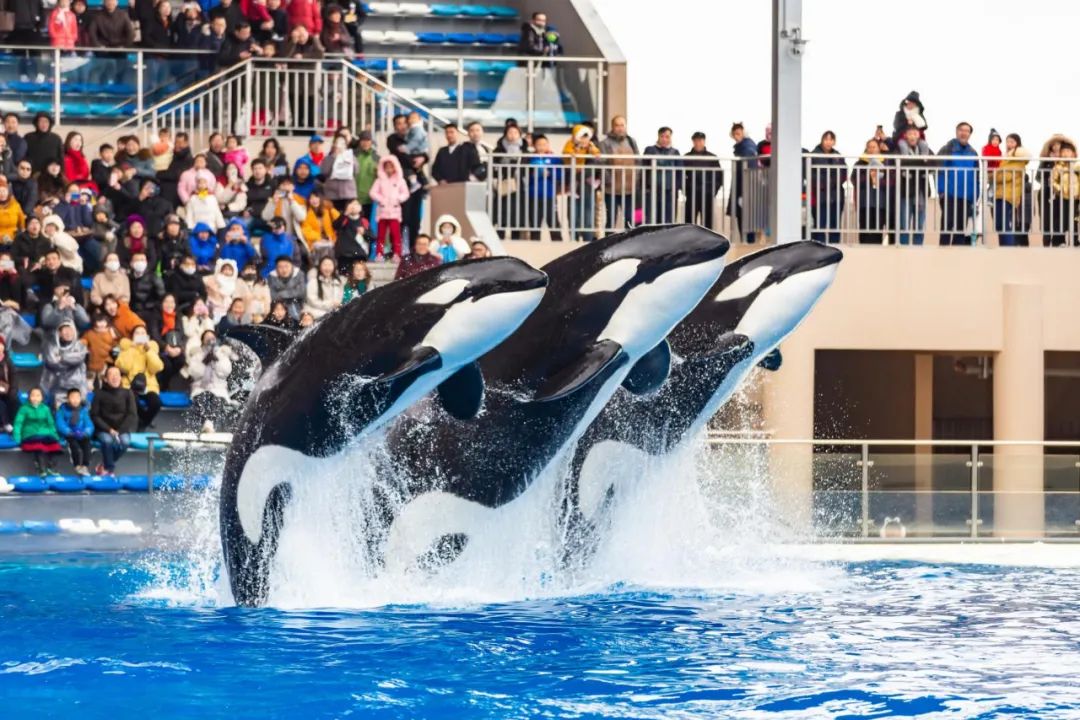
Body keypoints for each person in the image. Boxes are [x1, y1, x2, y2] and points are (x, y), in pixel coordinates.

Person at [937, 122, 980, 246]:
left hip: (966, 196)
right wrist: (941, 191)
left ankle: (958, 257)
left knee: (961, 228)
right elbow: (939, 171)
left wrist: (975, 195)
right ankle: (943, 254)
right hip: (949, 194)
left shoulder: (973, 153)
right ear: (956, 132)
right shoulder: (947, 148)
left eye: (967, 131)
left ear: (970, 134)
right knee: (947, 224)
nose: (964, 133)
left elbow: (977, 176)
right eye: (961, 130)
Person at [114, 325, 164, 431]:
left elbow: (157, 367)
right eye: (137, 333)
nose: (140, 336)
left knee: (156, 403)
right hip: (129, 385)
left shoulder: (152, 348)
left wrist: (148, 351)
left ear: (147, 336)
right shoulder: (126, 348)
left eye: (143, 333)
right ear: (132, 336)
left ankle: (144, 422)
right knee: (132, 400)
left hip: (149, 386)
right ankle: (141, 421)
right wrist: (132, 347)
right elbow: (124, 367)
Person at [91, 365, 137, 476]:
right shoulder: (99, 394)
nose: (115, 377)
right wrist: (109, 429)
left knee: (125, 442)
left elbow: (132, 414)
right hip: (103, 429)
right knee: (107, 441)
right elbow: (94, 415)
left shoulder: (127, 393)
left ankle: (105, 464)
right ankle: (109, 469)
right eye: (111, 375)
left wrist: (120, 431)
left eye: (117, 374)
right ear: (105, 379)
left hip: (121, 428)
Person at [186, 330, 233, 433]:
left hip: (218, 388)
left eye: (212, 337)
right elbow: (193, 372)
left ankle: (209, 424)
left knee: (216, 399)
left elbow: (226, 371)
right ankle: (202, 426)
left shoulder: (221, 354)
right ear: (202, 340)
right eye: (207, 337)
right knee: (203, 397)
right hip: (201, 387)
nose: (209, 340)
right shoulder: (197, 355)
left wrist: (216, 362)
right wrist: (204, 363)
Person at [895, 123, 933, 246]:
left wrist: (917, 164)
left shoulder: (925, 149)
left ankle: (918, 247)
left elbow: (933, 165)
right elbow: (897, 164)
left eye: (915, 133)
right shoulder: (899, 149)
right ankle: (903, 247)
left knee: (919, 223)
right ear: (905, 135)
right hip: (904, 190)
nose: (912, 136)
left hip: (921, 190)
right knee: (904, 222)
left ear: (919, 136)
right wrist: (920, 163)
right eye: (910, 133)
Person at [562, 124, 601, 242]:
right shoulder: (570, 143)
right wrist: (573, 153)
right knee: (573, 209)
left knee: (588, 209)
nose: (584, 139)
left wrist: (593, 151)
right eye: (582, 136)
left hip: (585, 179)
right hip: (573, 177)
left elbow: (596, 153)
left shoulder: (590, 145)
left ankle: (587, 237)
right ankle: (573, 237)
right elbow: (566, 151)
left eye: (586, 136)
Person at [992, 134, 1032, 247]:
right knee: (999, 224)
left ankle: (1008, 247)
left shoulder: (1019, 159)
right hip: (1000, 193)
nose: (1009, 144)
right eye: (1007, 142)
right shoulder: (1005, 158)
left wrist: (995, 175)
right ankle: (1004, 246)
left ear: (1017, 144)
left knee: (1004, 223)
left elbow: (1005, 176)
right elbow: (1001, 174)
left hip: (1009, 195)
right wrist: (997, 174)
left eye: (1012, 142)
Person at [14, 387, 63, 477]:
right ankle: (41, 468)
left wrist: (55, 435)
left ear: (42, 397)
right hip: (29, 434)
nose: (35, 398)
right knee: (39, 446)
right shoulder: (24, 408)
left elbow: (51, 424)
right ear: (29, 397)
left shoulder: (46, 409)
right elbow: (18, 423)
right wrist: (17, 436)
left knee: (55, 445)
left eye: (38, 395)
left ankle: (51, 467)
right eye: (33, 395)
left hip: (45, 433)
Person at [808, 131, 847, 244]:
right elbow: (810, 174)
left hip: (836, 195)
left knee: (835, 223)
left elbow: (844, 172)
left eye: (831, 139)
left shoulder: (838, 155)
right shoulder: (814, 155)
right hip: (820, 196)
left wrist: (834, 182)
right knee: (820, 222)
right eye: (826, 139)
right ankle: (817, 246)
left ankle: (834, 246)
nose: (828, 142)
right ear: (822, 140)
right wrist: (824, 184)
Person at [369, 155, 410, 260]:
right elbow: (372, 192)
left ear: (395, 167)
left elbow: (406, 193)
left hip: (394, 212)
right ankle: (379, 254)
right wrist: (381, 199)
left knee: (396, 235)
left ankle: (397, 254)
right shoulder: (379, 180)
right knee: (381, 236)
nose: (389, 169)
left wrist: (398, 199)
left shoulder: (400, 180)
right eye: (386, 167)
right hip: (382, 212)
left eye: (391, 167)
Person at [683, 131, 723, 231]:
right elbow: (681, 175)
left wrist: (713, 191)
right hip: (691, 193)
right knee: (689, 221)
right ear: (693, 141)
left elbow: (719, 176)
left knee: (707, 222)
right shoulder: (686, 157)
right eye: (696, 140)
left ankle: (707, 244)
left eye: (700, 140)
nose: (698, 143)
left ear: (704, 141)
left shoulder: (712, 157)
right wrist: (686, 190)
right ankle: (688, 242)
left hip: (707, 194)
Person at [524, 134, 561, 241]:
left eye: (544, 144)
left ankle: (558, 244)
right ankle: (534, 243)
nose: (541, 146)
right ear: (534, 146)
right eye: (539, 144)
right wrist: (533, 174)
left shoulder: (554, 159)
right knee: (535, 223)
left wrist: (550, 173)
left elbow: (560, 175)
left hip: (549, 195)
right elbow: (524, 175)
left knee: (553, 221)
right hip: (533, 195)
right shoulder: (530, 159)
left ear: (548, 145)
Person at [42, 320, 89, 401]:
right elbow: (52, 362)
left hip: (76, 385)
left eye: (70, 330)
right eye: (65, 330)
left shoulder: (80, 346)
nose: (68, 333)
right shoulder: (51, 346)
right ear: (59, 333)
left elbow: (78, 358)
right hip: (56, 385)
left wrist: (62, 357)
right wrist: (69, 361)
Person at [642, 127, 681, 225]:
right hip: (652, 190)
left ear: (671, 138)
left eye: (667, 137)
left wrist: (676, 188)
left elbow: (679, 172)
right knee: (651, 219)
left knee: (668, 220)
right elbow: (643, 168)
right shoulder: (649, 149)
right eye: (662, 136)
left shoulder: (675, 152)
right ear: (658, 137)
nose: (664, 139)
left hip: (669, 192)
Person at [852, 140, 888, 245]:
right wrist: (869, 176)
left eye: (874, 147)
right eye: (870, 147)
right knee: (864, 227)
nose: (872, 149)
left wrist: (879, 178)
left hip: (880, 202)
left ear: (879, 149)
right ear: (866, 149)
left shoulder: (885, 162)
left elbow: (891, 180)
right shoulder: (859, 163)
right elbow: (854, 179)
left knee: (878, 227)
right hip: (864, 201)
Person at [729, 123, 760, 243]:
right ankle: (746, 241)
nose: (737, 136)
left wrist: (745, 191)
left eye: (738, 133)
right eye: (735, 134)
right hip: (741, 186)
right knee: (742, 217)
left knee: (746, 218)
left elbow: (749, 166)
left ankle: (748, 243)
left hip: (746, 188)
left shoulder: (747, 147)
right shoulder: (741, 147)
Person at [55, 388, 94, 475]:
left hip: (81, 433)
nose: (75, 400)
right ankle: (77, 465)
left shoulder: (84, 411)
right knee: (74, 445)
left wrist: (86, 432)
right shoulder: (62, 410)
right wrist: (69, 432)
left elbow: (89, 424)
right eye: (73, 397)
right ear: (68, 399)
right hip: (69, 435)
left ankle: (85, 466)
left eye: (77, 397)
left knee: (87, 444)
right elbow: (60, 424)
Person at [320, 135, 358, 212]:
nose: (339, 145)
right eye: (337, 143)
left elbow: (356, 171)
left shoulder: (351, 157)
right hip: (332, 195)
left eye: (342, 143)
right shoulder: (328, 158)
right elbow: (324, 172)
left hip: (348, 194)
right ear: (334, 144)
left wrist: (349, 160)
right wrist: (335, 159)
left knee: (347, 218)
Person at [81, 312, 120, 381]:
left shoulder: (111, 332)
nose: (101, 324)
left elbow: (116, 344)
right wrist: (83, 344)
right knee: (89, 379)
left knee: (103, 379)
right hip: (92, 361)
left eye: (104, 321)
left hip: (105, 362)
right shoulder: (90, 332)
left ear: (107, 322)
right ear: (95, 322)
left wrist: (115, 356)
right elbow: (84, 340)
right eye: (99, 321)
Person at [129, 251, 165, 320]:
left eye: (142, 260)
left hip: (151, 311)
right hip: (133, 311)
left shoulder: (154, 277)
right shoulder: (128, 278)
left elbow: (161, 296)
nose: (140, 262)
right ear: (131, 263)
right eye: (137, 260)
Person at [267, 256, 306, 320]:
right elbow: (273, 295)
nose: (284, 270)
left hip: (297, 304)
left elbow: (301, 292)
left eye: (286, 266)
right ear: (276, 268)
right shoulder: (271, 276)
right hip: (278, 306)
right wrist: (293, 292)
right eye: (280, 267)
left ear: (292, 266)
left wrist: (282, 294)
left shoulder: (299, 274)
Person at [354, 130, 379, 221]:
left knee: (368, 226)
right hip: (354, 198)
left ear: (371, 142)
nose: (365, 143)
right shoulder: (353, 155)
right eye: (363, 140)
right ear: (359, 142)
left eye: (368, 140)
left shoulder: (376, 157)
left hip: (370, 199)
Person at [0, 338, 19, 433]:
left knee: (14, 400)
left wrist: (12, 391)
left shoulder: (8, 361)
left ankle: (13, 423)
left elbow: (14, 378)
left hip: (6, 390)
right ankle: (5, 424)